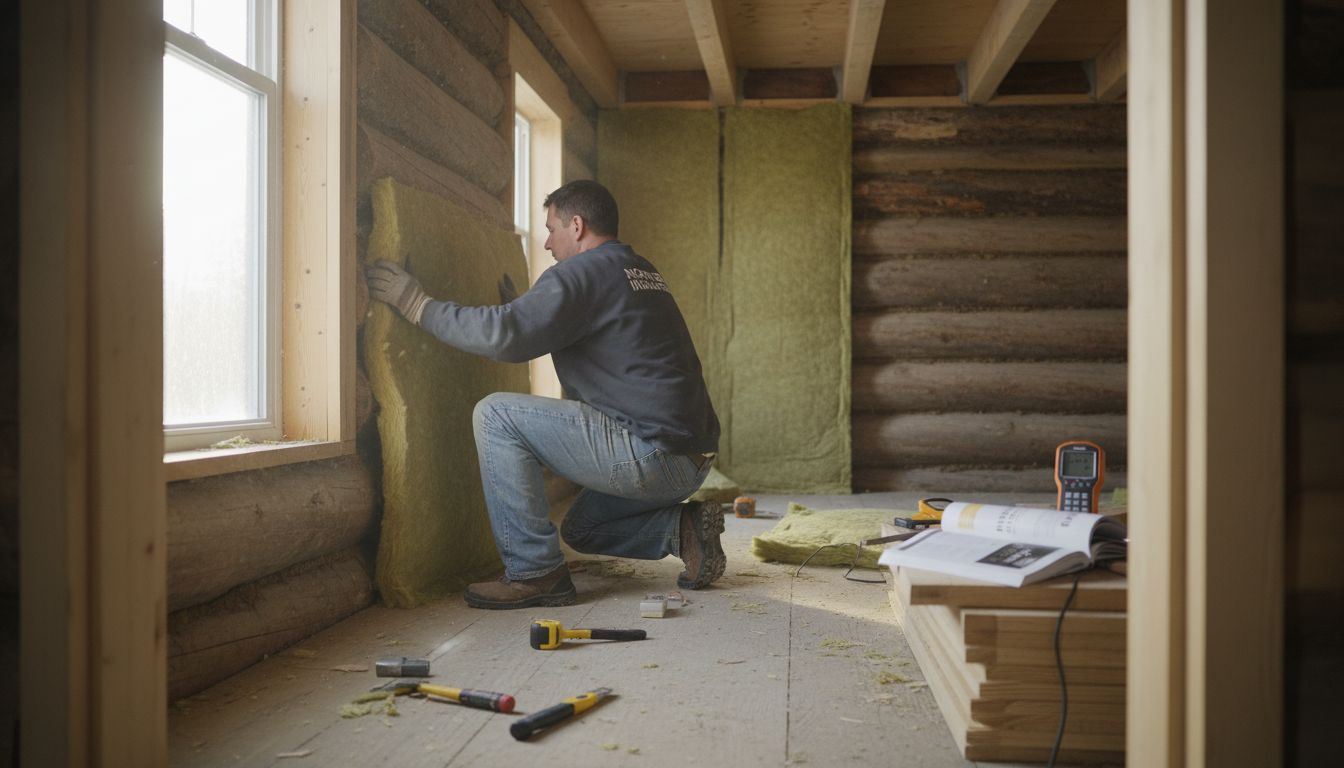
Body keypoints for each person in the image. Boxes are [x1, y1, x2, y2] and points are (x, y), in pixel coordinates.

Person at [364, 180, 723, 609]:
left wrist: (416, 303)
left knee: (495, 414)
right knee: (582, 529)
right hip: (689, 462)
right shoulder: (636, 269)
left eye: (552, 229)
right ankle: (684, 530)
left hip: (650, 453)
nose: (548, 242)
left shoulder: (582, 273)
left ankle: (535, 574)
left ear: (577, 225)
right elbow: (601, 337)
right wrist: (536, 310)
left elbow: (505, 336)